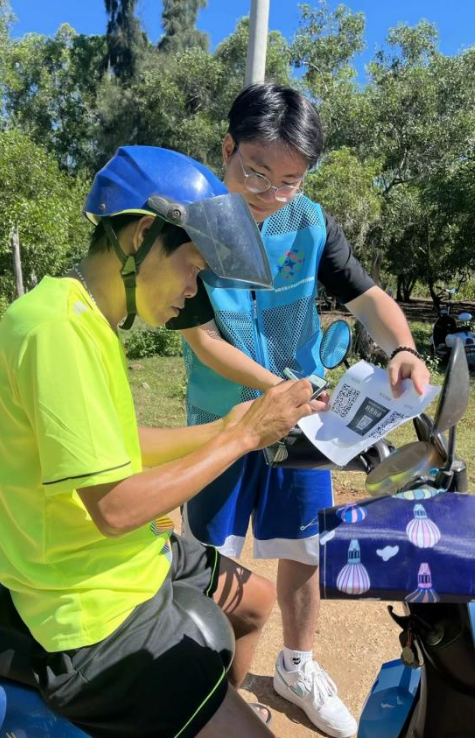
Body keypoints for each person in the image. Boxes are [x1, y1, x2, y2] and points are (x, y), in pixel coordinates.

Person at [0, 145, 324, 739]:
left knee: (255, 601)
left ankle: (209, 713)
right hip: (84, 603)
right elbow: (115, 509)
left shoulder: (86, 317)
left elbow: (113, 443)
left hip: (117, 561)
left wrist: (223, 427)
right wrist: (241, 438)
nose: (193, 290)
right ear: (142, 236)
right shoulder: (57, 331)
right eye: (192, 266)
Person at [167, 84, 431, 739]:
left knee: (305, 548)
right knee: (209, 559)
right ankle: (203, 683)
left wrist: (402, 346)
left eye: (290, 180)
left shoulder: (310, 223)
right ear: (227, 149)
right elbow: (202, 337)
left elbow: (368, 297)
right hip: (226, 423)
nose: (272, 193)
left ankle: (296, 667)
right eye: (257, 173)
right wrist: (273, 392)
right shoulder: (192, 222)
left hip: (304, 422)